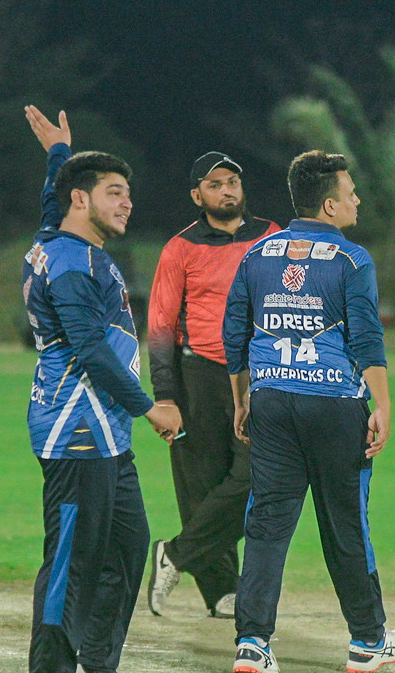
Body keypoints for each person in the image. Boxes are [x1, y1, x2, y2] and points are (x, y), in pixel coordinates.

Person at [16, 105, 183, 673]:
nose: (127, 203)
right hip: (75, 429)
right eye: (114, 192)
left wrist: (60, 155)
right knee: (72, 563)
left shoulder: (57, 238)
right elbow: (87, 348)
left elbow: (52, 206)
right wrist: (149, 408)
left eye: (127, 193)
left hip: (104, 431)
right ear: (82, 201)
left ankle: (96, 670)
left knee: (127, 547)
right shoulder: (69, 263)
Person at [222, 150, 395, 673]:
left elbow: (234, 333)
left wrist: (242, 399)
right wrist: (383, 403)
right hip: (334, 407)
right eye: (350, 194)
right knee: (346, 522)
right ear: (329, 205)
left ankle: (252, 643)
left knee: (266, 524)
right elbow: (367, 337)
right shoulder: (351, 260)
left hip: (271, 403)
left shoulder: (257, 254)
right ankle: (368, 641)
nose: (357, 201)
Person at [145, 152, 279, 619]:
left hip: (260, 375)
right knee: (200, 486)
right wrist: (165, 396)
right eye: (215, 184)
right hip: (198, 377)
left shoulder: (271, 237)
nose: (227, 191)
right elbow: (160, 327)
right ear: (197, 195)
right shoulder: (180, 248)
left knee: (258, 478)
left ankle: (175, 555)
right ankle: (222, 591)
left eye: (232, 181)